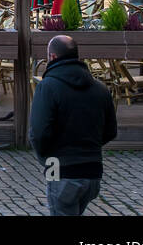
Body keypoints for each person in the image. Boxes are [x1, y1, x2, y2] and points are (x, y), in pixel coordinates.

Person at [29, 34, 118, 215]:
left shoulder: (48, 86)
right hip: (93, 172)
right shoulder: (100, 88)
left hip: (60, 170)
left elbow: (38, 133)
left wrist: (46, 158)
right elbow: (110, 131)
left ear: (52, 57)